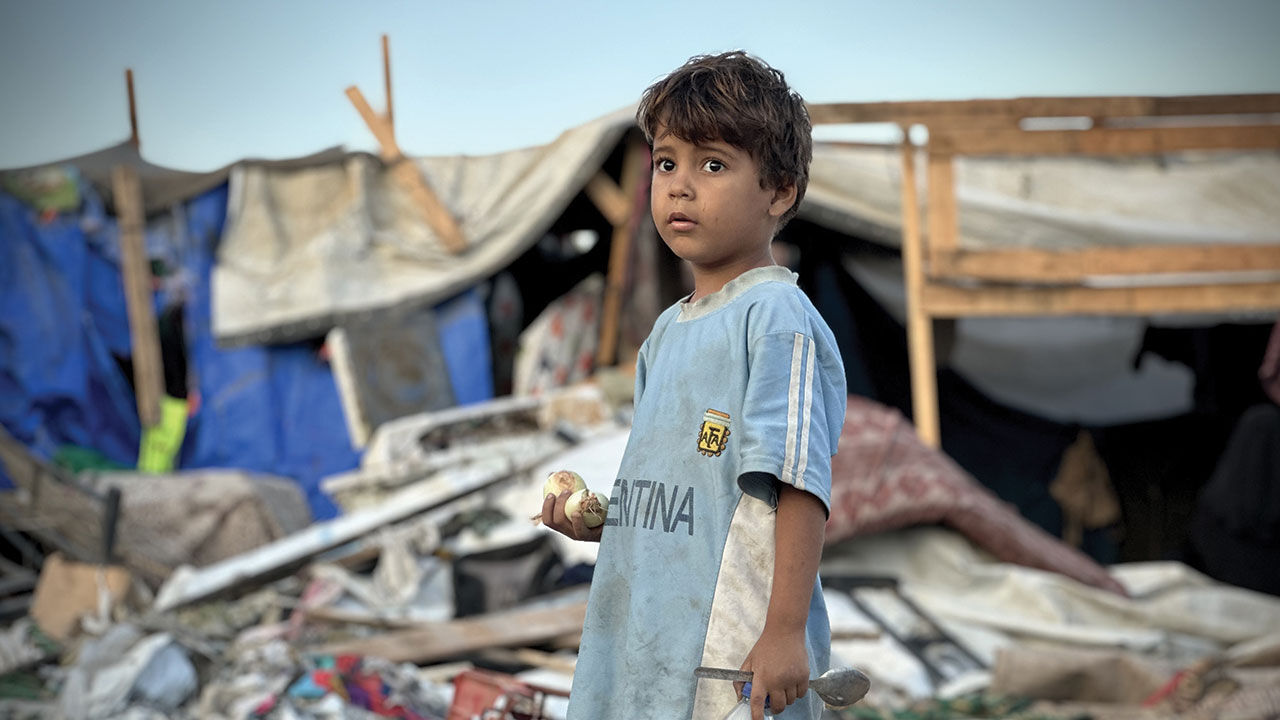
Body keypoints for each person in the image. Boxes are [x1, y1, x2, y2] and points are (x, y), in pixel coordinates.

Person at [541, 50, 846, 720]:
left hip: (730, 656)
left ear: (779, 190)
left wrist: (785, 633)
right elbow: (679, 487)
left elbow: (798, 483)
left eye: (712, 165)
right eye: (667, 161)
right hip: (644, 640)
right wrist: (602, 522)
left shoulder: (776, 321)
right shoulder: (667, 334)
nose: (680, 184)